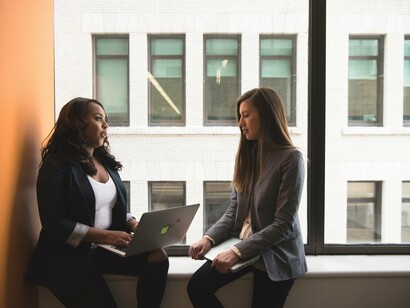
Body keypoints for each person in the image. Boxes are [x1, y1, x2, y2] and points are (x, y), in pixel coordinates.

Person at [26, 97, 169, 308]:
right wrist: (107, 235)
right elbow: (54, 225)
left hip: (102, 249)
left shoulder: (105, 162)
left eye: (106, 120)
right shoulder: (55, 166)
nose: (105, 125)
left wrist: (135, 225)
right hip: (67, 257)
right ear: (77, 123)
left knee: (158, 256)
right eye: (98, 118)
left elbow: (113, 208)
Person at [187, 87, 307, 308]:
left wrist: (236, 252)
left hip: (275, 253)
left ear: (266, 114)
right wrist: (209, 238)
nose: (240, 122)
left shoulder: (291, 158)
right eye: (239, 116)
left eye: (246, 115)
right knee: (197, 286)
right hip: (245, 244)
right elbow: (234, 211)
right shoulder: (247, 156)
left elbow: (283, 225)